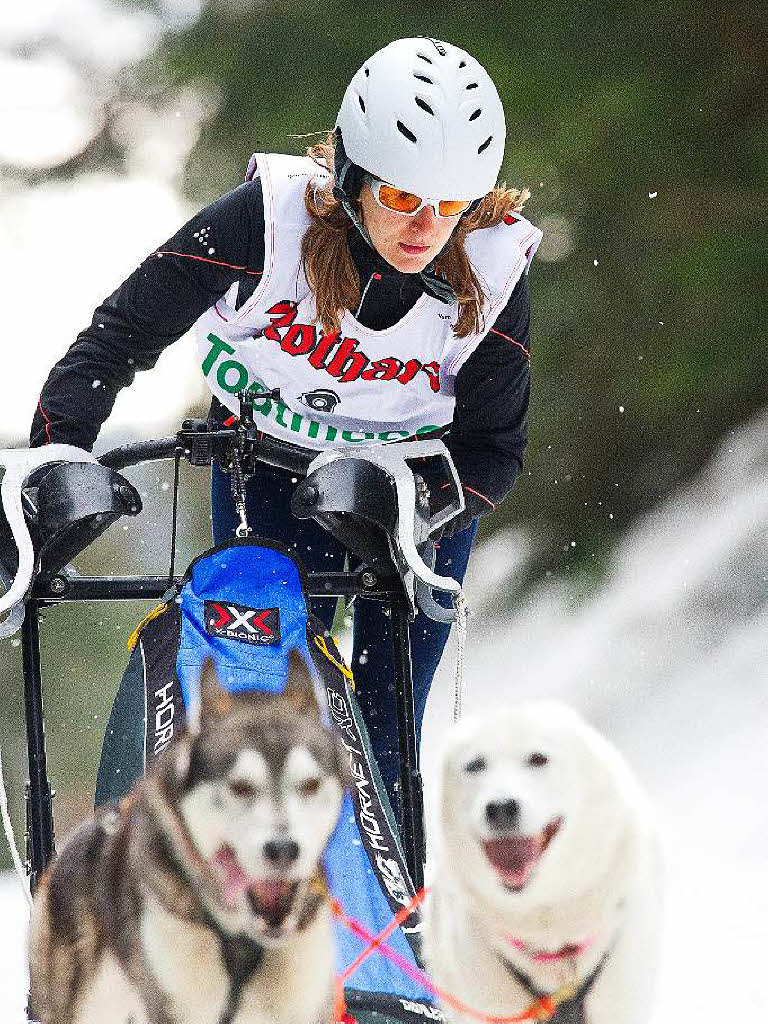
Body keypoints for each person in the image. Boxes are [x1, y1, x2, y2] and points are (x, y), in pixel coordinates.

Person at [30, 37, 541, 812]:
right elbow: (116, 341)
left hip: (408, 496)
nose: (426, 227)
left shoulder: (494, 267)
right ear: (353, 178)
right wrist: (59, 464)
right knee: (272, 723)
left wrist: (419, 509)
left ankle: (388, 919)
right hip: (270, 475)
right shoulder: (263, 225)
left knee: (384, 735)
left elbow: (496, 449)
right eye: (402, 199)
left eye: (451, 206)